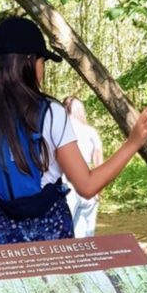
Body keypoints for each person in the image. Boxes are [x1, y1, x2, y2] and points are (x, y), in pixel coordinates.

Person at [0, 16, 147, 247]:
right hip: (53, 244)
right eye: (43, 61)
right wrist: (133, 143)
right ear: (29, 61)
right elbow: (87, 186)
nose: (43, 70)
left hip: (1, 245)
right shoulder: (51, 113)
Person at [62, 96, 103, 238]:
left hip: (66, 182)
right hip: (89, 180)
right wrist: (99, 187)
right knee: (87, 232)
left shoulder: (61, 130)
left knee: (66, 230)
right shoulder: (90, 131)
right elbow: (98, 159)